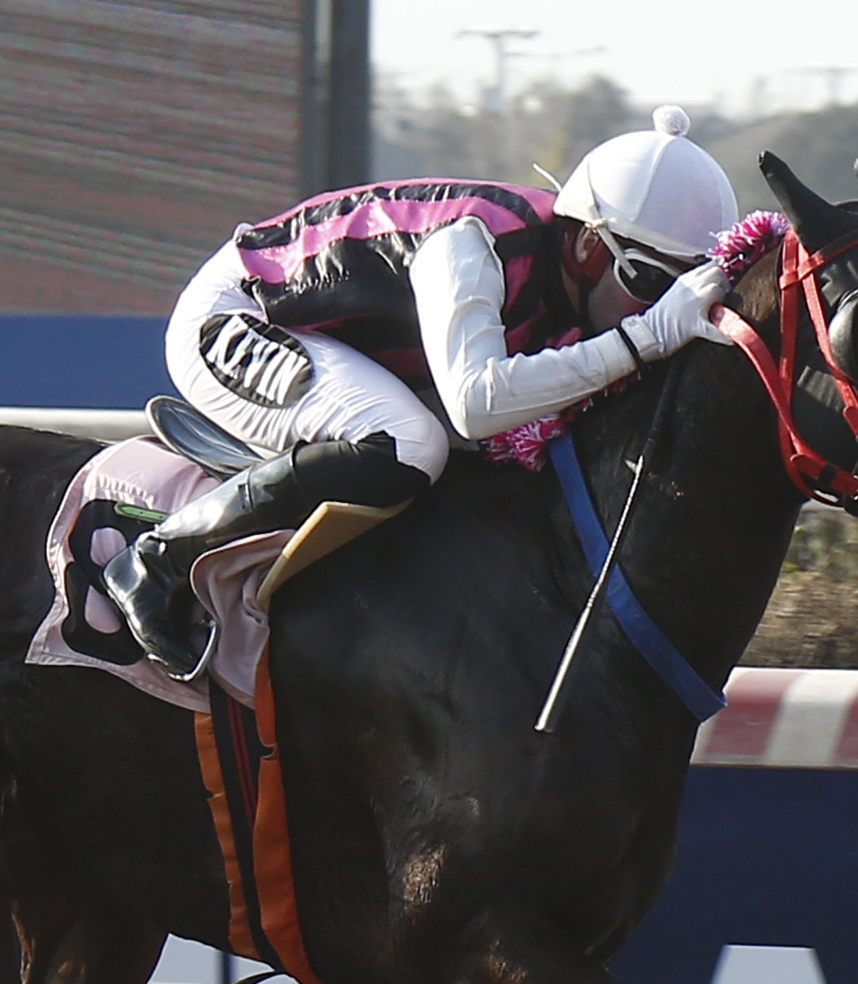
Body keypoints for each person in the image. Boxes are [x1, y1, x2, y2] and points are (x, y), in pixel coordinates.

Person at [101, 106, 742, 680]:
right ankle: (157, 560)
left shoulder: (569, 276)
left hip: (346, 342)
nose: (656, 310)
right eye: (649, 283)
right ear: (587, 246)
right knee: (409, 443)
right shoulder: (473, 242)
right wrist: (640, 341)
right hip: (241, 316)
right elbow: (477, 404)